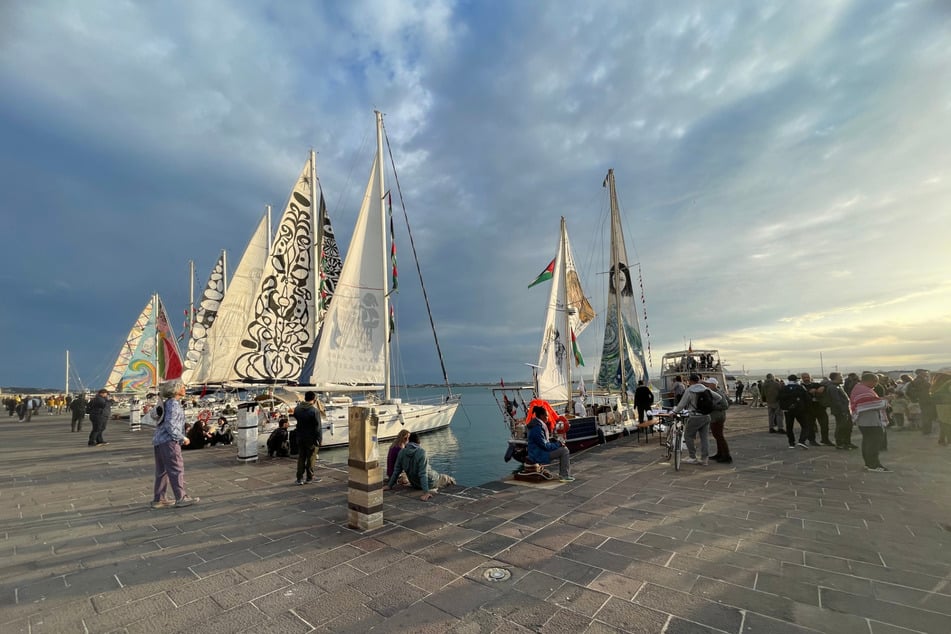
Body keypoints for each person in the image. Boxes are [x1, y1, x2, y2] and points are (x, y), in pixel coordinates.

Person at [150, 379, 199, 508]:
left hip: (159, 440)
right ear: (176, 390)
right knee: (176, 469)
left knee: (162, 471)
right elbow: (171, 425)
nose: (185, 389)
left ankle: (159, 499)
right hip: (169, 441)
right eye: (183, 387)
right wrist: (183, 437)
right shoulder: (174, 405)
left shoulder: (166, 403)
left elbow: (154, 415)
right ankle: (181, 497)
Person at [384, 432, 457, 500]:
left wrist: (389, 485)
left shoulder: (401, 452)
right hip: (430, 482)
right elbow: (423, 474)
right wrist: (426, 493)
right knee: (446, 478)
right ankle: (451, 481)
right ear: (418, 442)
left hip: (415, 484)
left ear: (409, 441)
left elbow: (396, 471)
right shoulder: (421, 452)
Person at [670, 373, 722, 465]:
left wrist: (674, 412)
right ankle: (704, 459)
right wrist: (711, 405)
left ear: (690, 381)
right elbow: (719, 397)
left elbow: (682, 404)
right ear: (698, 380)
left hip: (695, 417)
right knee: (704, 438)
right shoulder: (706, 389)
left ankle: (692, 456)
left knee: (688, 436)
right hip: (706, 416)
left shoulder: (690, 390)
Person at [849, 372, 890, 472]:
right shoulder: (864, 390)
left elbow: (868, 402)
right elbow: (870, 403)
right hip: (870, 421)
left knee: (868, 442)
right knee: (874, 442)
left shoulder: (859, 388)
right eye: (875, 382)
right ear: (869, 381)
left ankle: (869, 463)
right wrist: (885, 400)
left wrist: (881, 400)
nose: (876, 384)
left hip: (865, 421)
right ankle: (874, 465)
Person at [523, 405, 573, 482]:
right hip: (538, 455)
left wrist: (556, 443)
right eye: (546, 416)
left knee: (562, 448)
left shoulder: (536, 425)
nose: (547, 417)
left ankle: (563, 474)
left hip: (536, 452)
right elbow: (545, 446)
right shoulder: (537, 428)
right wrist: (558, 444)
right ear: (541, 416)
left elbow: (543, 443)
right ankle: (564, 475)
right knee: (564, 450)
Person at [293, 391, 322, 485]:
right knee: (311, 458)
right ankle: (309, 478)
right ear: (314, 399)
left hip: (300, 436)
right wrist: (319, 439)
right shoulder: (314, 411)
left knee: (301, 457)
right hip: (311, 438)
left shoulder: (297, 409)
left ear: (305, 398)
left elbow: (297, 419)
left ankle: (299, 478)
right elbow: (318, 427)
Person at [703, 377, 732, 464]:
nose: (707, 385)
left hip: (718, 417)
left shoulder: (718, 393)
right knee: (717, 436)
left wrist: (713, 407)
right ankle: (720, 454)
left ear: (713, 384)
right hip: (715, 417)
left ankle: (726, 456)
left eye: (709, 384)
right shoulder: (715, 392)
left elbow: (725, 405)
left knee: (719, 436)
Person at [825, 372, 856, 450]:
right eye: (840, 376)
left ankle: (847, 442)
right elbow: (836, 400)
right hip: (840, 411)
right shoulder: (832, 387)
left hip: (846, 410)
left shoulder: (838, 386)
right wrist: (843, 410)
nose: (842, 378)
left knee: (848, 427)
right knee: (841, 427)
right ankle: (840, 443)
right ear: (835, 378)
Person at [779, 375, 812, 449]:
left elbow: (780, 398)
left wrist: (784, 407)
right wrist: (807, 408)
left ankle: (791, 443)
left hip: (788, 410)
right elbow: (807, 398)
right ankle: (802, 440)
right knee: (805, 425)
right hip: (800, 410)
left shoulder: (784, 388)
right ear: (796, 380)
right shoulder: (800, 388)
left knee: (789, 427)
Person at [930, 371, 951, 446]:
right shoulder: (949, 382)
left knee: (943, 422)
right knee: (948, 423)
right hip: (947, 404)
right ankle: (949, 441)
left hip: (940, 405)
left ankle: (941, 440)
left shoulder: (938, 384)